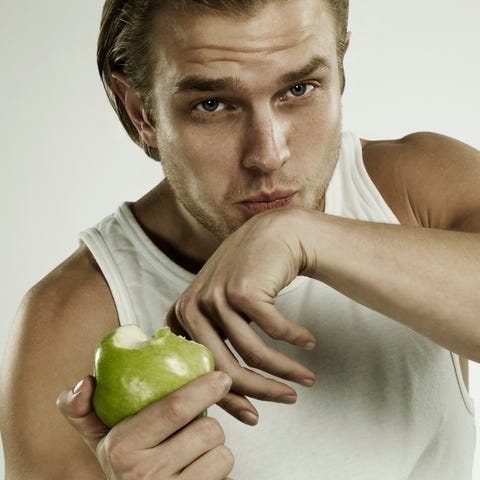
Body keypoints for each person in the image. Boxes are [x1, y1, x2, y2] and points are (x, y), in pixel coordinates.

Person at [1, 0, 479, 478]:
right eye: (211, 105)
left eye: (298, 88)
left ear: (340, 66)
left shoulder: (414, 191)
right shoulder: (67, 323)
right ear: (140, 110)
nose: (269, 155)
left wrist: (300, 235)